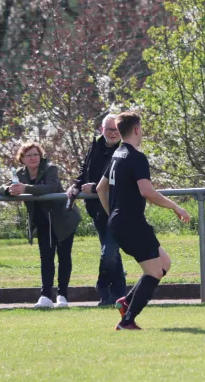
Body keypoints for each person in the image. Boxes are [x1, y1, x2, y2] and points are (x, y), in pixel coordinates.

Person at [96, 111, 190, 330]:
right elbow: (147, 191)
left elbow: (101, 188)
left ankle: (127, 301)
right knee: (154, 272)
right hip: (131, 224)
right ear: (137, 129)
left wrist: (113, 213)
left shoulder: (117, 154)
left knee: (164, 263)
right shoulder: (137, 157)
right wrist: (175, 206)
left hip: (122, 222)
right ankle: (127, 320)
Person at [1, 142, 81, 308]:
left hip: (63, 219)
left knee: (64, 257)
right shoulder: (19, 173)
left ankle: (62, 296)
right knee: (46, 258)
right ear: (22, 158)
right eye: (28, 155)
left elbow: (50, 187)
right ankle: (45, 296)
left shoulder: (51, 168)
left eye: (35, 154)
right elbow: (1, 188)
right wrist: (10, 190)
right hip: (42, 222)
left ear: (41, 155)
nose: (32, 158)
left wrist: (25, 188)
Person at [67, 114, 126, 306]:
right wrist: (76, 186)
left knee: (109, 251)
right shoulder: (95, 147)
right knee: (111, 253)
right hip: (98, 210)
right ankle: (117, 295)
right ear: (102, 129)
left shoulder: (126, 150)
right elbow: (84, 172)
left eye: (116, 130)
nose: (112, 133)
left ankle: (103, 288)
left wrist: (96, 187)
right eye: (109, 129)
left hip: (118, 209)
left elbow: (124, 180)